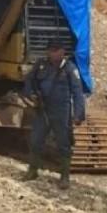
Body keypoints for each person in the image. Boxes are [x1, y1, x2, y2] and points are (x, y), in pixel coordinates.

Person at [21, 39, 86, 189]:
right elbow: (29, 81)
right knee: (36, 140)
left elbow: (77, 92)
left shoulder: (70, 69)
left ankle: (64, 176)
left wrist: (78, 114)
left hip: (61, 111)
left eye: (56, 50)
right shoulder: (41, 65)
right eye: (51, 50)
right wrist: (31, 94)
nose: (53, 53)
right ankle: (32, 170)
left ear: (63, 52)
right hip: (43, 109)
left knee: (64, 144)